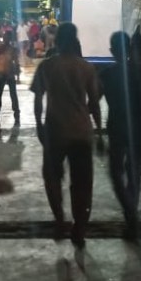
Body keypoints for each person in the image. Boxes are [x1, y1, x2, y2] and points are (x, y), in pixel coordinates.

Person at [31, 23, 101, 247]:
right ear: (75, 40)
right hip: (81, 131)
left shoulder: (47, 66)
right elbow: (94, 102)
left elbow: (37, 99)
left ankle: (60, 220)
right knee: (82, 183)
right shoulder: (86, 67)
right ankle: (79, 228)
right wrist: (99, 130)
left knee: (52, 177)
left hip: (55, 130)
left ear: (58, 40)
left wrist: (39, 125)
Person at [100, 31, 141, 239]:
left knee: (116, 172)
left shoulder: (106, 74)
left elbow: (93, 101)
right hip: (137, 125)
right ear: (129, 48)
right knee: (134, 172)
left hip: (117, 126)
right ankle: (131, 213)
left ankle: (130, 214)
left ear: (112, 51)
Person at [0, 30, 21, 126]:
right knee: (11, 95)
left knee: (1, 95)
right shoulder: (8, 49)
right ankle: (15, 116)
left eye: (6, 37)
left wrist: (18, 76)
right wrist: (18, 76)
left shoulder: (2, 48)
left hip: (4, 73)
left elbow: (16, 62)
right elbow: (16, 63)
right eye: (5, 37)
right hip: (6, 73)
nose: (5, 39)